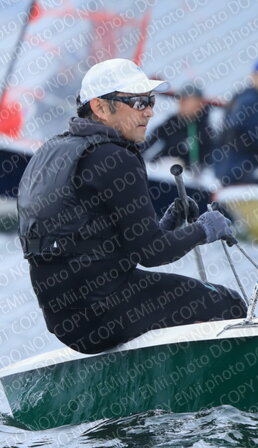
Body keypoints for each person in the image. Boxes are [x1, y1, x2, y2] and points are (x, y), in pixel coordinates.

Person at [18, 58, 246, 354]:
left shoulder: (49, 151)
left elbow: (100, 247)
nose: (149, 111)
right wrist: (205, 229)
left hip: (66, 323)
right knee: (228, 304)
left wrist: (167, 224)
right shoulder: (115, 157)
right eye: (138, 102)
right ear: (100, 107)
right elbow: (153, 254)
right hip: (106, 312)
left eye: (150, 101)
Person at [142, 84, 215, 170]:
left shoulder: (205, 131)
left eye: (186, 99)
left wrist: (183, 165)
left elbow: (208, 164)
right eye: (180, 98)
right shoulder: (171, 123)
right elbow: (149, 143)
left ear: (199, 103)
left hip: (187, 175)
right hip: (161, 171)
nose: (181, 102)